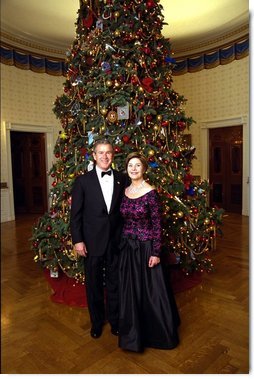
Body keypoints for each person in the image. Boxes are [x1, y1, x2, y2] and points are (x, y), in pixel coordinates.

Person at [118, 152, 180, 352]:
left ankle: (156, 334)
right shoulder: (125, 190)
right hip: (128, 248)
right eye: (130, 166)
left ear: (144, 169)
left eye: (137, 165)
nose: (133, 169)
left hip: (146, 249)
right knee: (131, 292)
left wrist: (155, 252)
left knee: (150, 293)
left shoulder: (151, 192)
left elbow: (157, 225)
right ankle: (132, 334)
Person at [70, 139, 127, 339]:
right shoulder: (82, 181)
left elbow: (125, 211)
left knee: (115, 283)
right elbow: (75, 215)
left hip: (116, 241)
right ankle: (96, 322)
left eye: (108, 152)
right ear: (94, 156)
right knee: (93, 285)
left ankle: (115, 320)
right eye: (100, 153)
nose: (104, 156)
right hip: (91, 242)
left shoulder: (122, 178)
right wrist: (78, 240)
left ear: (113, 155)